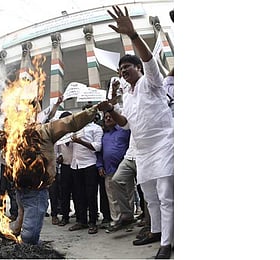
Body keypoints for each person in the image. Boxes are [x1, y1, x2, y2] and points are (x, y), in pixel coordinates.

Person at [0, 101, 112, 245]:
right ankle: (18, 233)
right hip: (19, 188)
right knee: (20, 217)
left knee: (29, 237)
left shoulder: (45, 131)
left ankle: (29, 244)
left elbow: (71, 122)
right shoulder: (13, 134)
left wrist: (95, 109)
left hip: (37, 191)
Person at [106, 6, 174, 258]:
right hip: (142, 152)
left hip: (164, 144)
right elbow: (125, 124)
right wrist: (110, 110)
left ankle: (167, 243)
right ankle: (156, 230)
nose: (123, 71)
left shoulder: (151, 81)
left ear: (139, 69)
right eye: (121, 69)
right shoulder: (128, 95)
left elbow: (148, 60)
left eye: (128, 67)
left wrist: (133, 35)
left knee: (166, 196)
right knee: (149, 195)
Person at [68, 104, 104, 235]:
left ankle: (93, 222)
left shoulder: (96, 128)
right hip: (75, 164)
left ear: (94, 115)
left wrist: (80, 141)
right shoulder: (75, 129)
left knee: (91, 194)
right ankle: (81, 220)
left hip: (89, 165)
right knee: (78, 194)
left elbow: (98, 147)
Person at [96, 109, 131, 230]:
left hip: (124, 169)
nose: (108, 119)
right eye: (105, 117)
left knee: (127, 195)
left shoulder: (124, 131)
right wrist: (100, 166)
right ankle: (116, 221)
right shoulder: (103, 135)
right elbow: (99, 153)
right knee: (112, 198)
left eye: (110, 116)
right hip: (108, 170)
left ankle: (129, 220)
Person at [54, 111, 75, 227]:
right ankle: (65, 217)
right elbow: (56, 151)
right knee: (64, 193)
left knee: (77, 192)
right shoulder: (59, 133)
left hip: (76, 165)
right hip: (65, 166)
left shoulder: (77, 131)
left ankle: (79, 217)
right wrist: (58, 157)